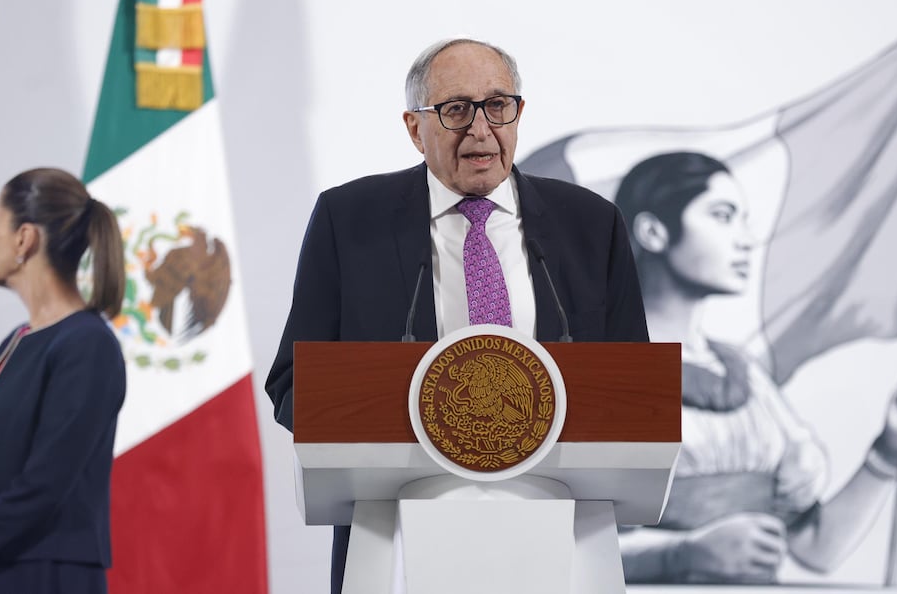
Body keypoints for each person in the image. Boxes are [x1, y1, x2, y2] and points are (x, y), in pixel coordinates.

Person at [266, 37, 649, 593]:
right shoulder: (349, 221)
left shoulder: (590, 225)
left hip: (558, 537)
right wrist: (404, 432)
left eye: (498, 106)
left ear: (519, 114)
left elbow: (635, 393)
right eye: (455, 109)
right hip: (395, 536)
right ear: (414, 127)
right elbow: (292, 383)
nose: (480, 128)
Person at [614, 151, 897, 584]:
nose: (746, 239)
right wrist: (681, 555)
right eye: (723, 216)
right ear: (653, 231)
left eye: (744, 219)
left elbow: (815, 548)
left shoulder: (746, 378)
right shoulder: (604, 370)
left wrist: (890, 448)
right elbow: (564, 545)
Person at [0, 168, 126, 593]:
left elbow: (44, 487)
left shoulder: (88, 344)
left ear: (25, 238)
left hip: (44, 573)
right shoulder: (17, 340)